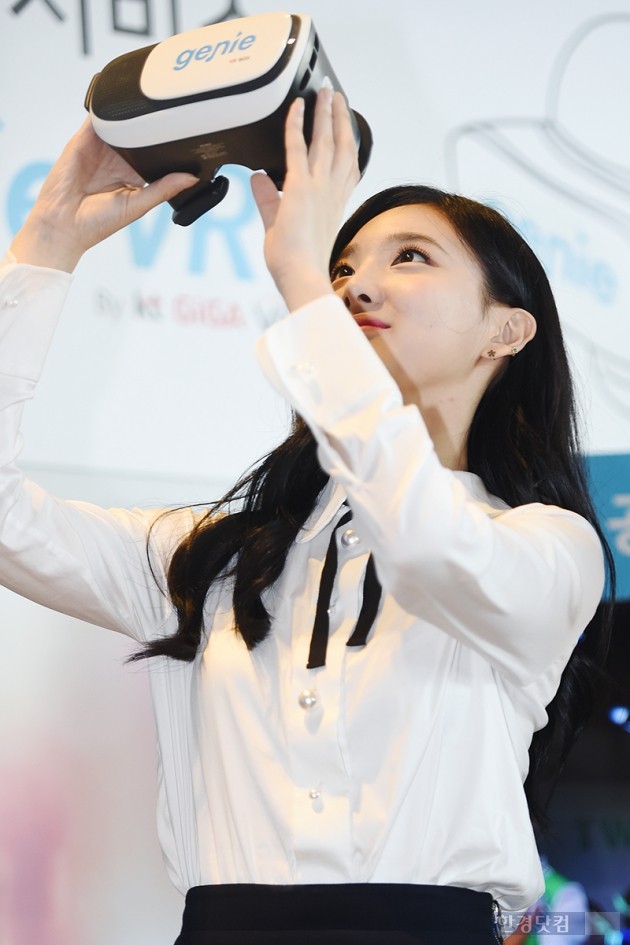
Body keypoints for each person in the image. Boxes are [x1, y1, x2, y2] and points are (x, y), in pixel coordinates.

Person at [0, 88, 614, 944]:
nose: (356, 283)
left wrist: (303, 287)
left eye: (410, 257)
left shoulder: (548, 545)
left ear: (506, 332)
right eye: (340, 267)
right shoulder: (208, 560)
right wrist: (46, 245)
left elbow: (430, 546)